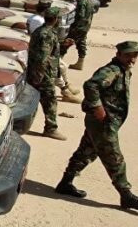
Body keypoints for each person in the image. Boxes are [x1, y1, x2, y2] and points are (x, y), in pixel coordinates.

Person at [55, 41, 138, 210]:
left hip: (104, 122)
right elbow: (91, 85)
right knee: (114, 158)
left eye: (135, 56)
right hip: (103, 123)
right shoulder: (112, 70)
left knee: (86, 151)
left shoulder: (124, 70)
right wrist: (97, 107)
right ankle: (126, 195)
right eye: (128, 55)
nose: (132, 59)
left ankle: (65, 183)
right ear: (118, 55)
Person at [27, 7, 73, 140]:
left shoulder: (43, 31)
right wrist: (39, 77)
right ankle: (51, 129)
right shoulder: (46, 34)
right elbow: (42, 58)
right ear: (56, 19)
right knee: (50, 102)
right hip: (43, 75)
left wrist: (64, 45)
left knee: (33, 100)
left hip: (39, 73)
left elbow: (49, 52)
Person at [27, 0, 81, 103]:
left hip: (45, 54)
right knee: (58, 69)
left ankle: (66, 88)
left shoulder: (39, 21)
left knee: (61, 67)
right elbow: (44, 43)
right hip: (42, 57)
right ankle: (65, 91)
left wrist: (62, 44)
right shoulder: (39, 22)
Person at [63, 0, 95, 70]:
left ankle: (59, 60)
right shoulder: (89, 1)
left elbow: (81, 15)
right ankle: (80, 63)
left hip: (79, 27)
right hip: (86, 26)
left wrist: (74, 27)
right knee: (81, 43)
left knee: (66, 42)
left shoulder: (81, 2)